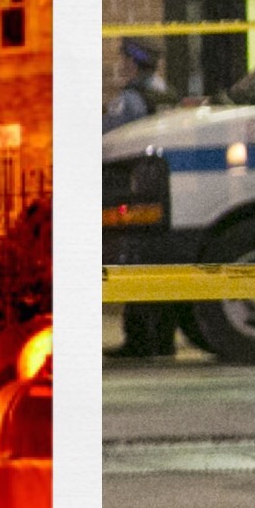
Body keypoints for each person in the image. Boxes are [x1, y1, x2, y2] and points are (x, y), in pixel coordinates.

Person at [104, 43, 179, 357]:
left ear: (134, 65)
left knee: (137, 260)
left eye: (123, 60)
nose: (120, 66)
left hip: (136, 187)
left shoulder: (132, 98)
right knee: (163, 263)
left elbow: (107, 133)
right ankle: (163, 339)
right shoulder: (167, 94)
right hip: (166, 186)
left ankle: (140, 340)